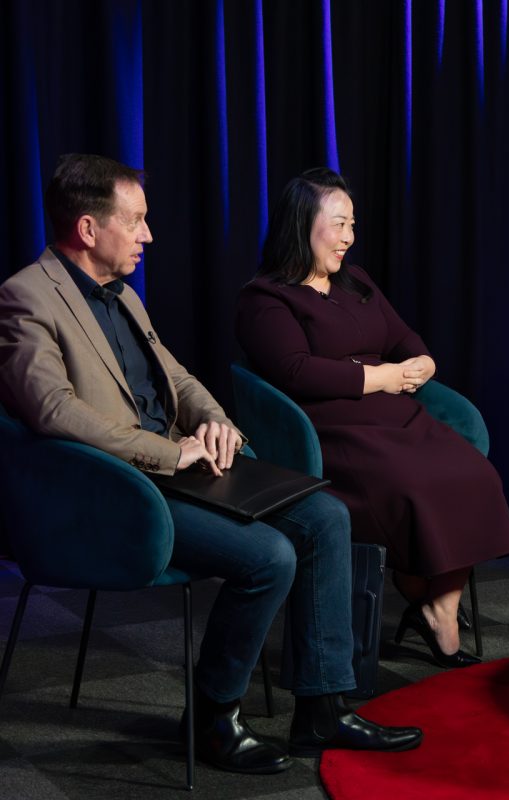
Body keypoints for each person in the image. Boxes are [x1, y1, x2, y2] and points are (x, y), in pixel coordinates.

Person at [0, 154, 422, 775]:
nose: (149, 235)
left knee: (326, 515)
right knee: (269, 555)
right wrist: (169, 452)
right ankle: (211, 715)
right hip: (117, 489)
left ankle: (323, 709)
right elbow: (53, 411)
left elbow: (177, 375)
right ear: (89, 230)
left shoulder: (122, 296)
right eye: (136, 221)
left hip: (178, 466)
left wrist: (216, 421)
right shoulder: (25, 296)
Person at [235, 168, 509, 669]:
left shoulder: (356, 282)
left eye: (353, 225)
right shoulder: (267, 298)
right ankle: (422, 595)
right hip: (329, 430)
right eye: (339, 224)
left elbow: (405, 339)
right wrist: (381, 378)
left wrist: (424, 363)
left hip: (398, 417)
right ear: (302, 224)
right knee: (412, 486)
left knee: (475, 474)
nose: (349, 237)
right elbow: (295, 372)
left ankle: (439, 607)